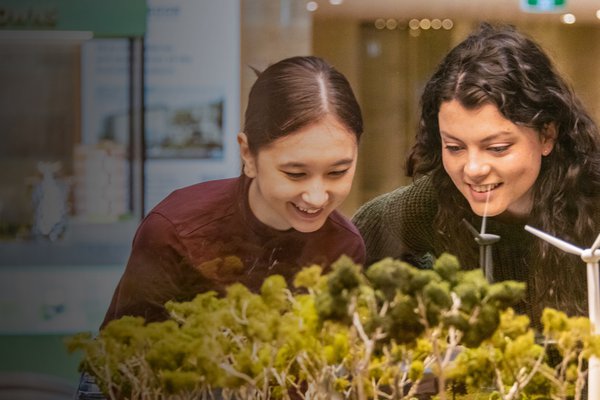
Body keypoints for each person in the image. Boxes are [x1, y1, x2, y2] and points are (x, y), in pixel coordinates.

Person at [352, 23, 600, 327]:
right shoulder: (424, 206)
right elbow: (352, 247)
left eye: (496, 148)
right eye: (454, 147)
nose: (473, 169)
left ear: (547, 135)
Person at [101, 55, 366, 328]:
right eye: (295, 174)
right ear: (248, 154)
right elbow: (116, 357)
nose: (316, 196)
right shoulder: (176, 230)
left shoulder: (344, 245)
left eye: (337, 172)